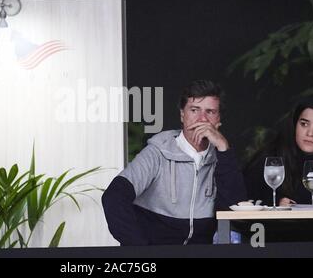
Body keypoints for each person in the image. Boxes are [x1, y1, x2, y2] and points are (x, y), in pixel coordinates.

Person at [102, 80, 247, 245]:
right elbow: (113, 197)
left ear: (218, 119)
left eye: (210, 112)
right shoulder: (157, 152)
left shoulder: (222, 158)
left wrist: (223, 147)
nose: (202, 119)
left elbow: (236, 212)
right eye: (194, 110)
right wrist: (140, 250)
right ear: (182, 115)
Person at [244, 94, 313, 206]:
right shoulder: (271, 159)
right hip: (275, 224)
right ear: (295, 125)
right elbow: (243, 203)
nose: (310, 133)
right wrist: (273, 204)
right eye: (304, 124)